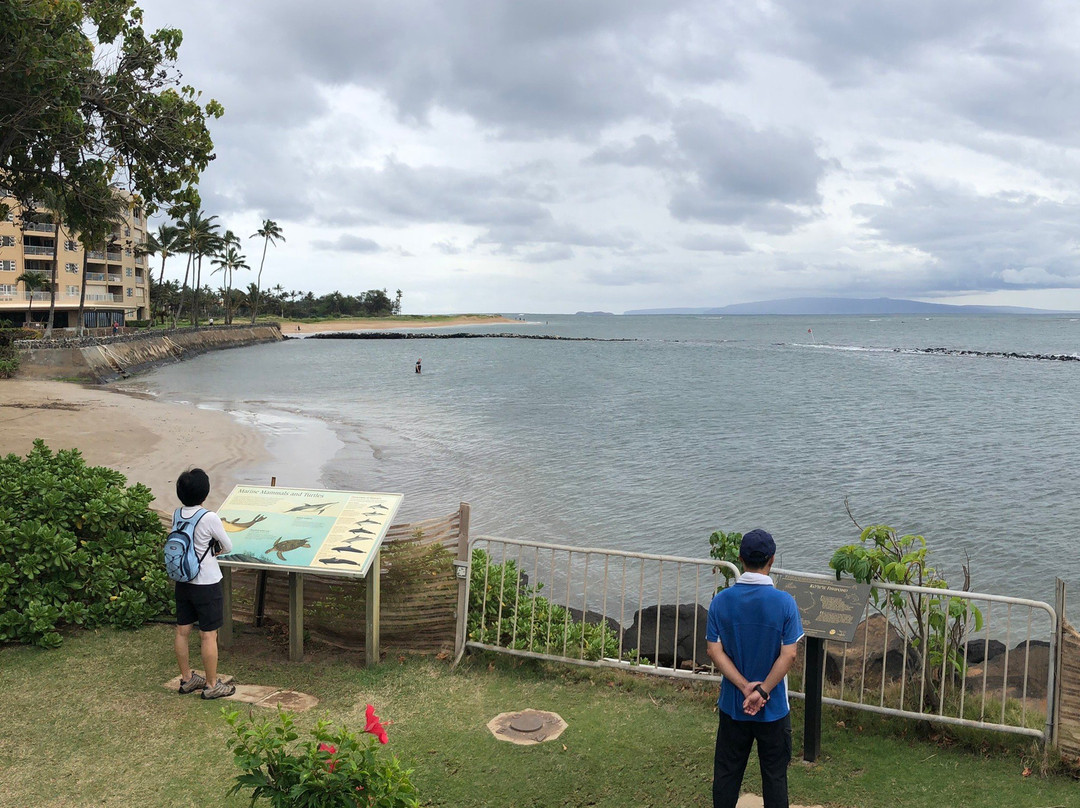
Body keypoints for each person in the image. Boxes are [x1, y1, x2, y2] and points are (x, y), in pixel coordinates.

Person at [706, 529, 803, 808]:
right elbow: (790, 654)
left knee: (726, 774)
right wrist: (762, 691)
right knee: (774, 777)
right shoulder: (785, 603)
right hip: (772, 709)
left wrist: (743, 686)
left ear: (740, 558)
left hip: (733, 704)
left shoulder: (722, 600)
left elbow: (714, 650)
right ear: (771, 559)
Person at [173, 468, 236, 699]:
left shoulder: (177, 514)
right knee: (208, 635)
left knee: (182, 631)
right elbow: (227, 546)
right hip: (206, 582)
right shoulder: (209, 517)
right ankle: (211, 685)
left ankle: (187, 679)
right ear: (205, 492)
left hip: (183, 580)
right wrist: (215, 550)